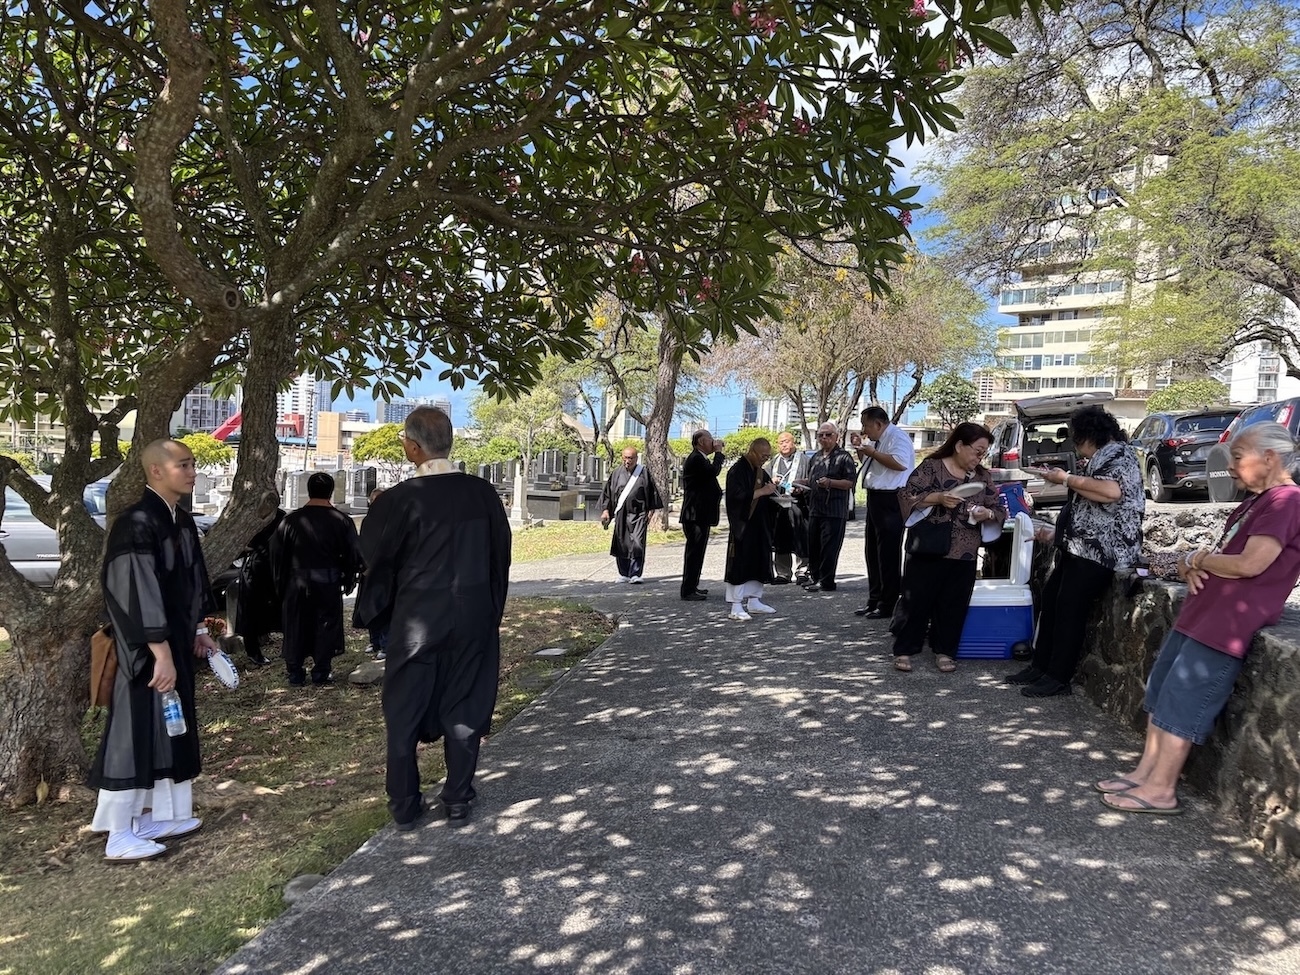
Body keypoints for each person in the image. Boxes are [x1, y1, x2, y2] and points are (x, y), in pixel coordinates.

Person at [1095, 422, 1300, 815]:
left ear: (1269, 458)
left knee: (1182, 702)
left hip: (1227, 624)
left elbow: (1251, 563)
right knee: (1161, 693)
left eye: (1239, 457)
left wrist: (1198, 559)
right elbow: (1229, 554)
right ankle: (1146, 772)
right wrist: (1191, 562)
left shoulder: (1286, 502)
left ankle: (1161, 789)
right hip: (1204, 613)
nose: (1231, 467)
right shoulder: (1258, 500)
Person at [357, 406, 511, 830]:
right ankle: (458, 797)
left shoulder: (398, 500)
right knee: (465, 703)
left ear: (412, 447)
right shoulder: (483, 494)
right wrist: (490, 611)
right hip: (474, 616)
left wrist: (382, 617)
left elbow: (375, 561)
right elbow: (501, 558)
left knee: (404, 711)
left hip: (417, 620)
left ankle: (405, 804)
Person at [88, 439, 219, 862]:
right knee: (136, 727)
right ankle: (119, 831)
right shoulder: (136, 523)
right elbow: (134, 591)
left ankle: (163, 815)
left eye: (192, 464)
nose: (192, 471)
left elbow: (192, 581)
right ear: (157, 470)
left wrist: (200, 628)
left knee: (172, 725)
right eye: (184, 465)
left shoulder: (179, 520)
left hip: (177, 641)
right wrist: (159, 651)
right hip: (144, 650)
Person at [1006, 405, 1145, 697]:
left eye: (1075, 438)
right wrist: (1058, 533)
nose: (1075, 445)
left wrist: (1065, 479)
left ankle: (1058, 677)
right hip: (1082, 547)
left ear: (1088, 435)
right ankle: (1040, 666)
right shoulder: (1103, 457)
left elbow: (1110, 493)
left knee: (1069, 609)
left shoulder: (1119, 455)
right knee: (1052, 600)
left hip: (1104, 552)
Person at [891, 423, 1007, 674]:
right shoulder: (932, 467)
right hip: (928, 545)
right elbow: (906, 495)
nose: (980, 457)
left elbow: (998, 509)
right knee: (916, 599)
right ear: (959, 446)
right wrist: (939, 498)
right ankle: (905, 649)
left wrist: (986, 512)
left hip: (964, 549)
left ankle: (945, 650)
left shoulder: (982, 477)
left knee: (954, 602)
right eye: (977, 451)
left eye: (984, 453)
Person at [271, 472, 361, 687]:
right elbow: (352, 554)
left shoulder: (290, 521)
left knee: (296, 624)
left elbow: (277, 554)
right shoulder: (342, 521)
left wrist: (280, 583)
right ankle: (321, 671)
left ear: (309, 490)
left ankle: (295, 672)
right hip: (327, 582)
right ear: (330, 491)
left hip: (296, 582)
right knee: (325, 625)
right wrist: (348, 578)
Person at [851, 405, 916, 620]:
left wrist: (873, 452)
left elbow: (900, 464)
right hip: (875, 496)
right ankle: (874, 598)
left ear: (878, 424)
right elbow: (873, 466)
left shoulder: (898, 437)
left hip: (891, 498)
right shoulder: (876, 440)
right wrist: (864, 451)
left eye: (866, 425)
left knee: (887, 552)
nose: (864, 430)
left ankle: (888, 603)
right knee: (873, 551)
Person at [724, 438, 781, 620]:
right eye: (763, 455)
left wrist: (775, 494)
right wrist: (763, 492)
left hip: (759, 525)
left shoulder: (760, 471)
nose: (765, 459)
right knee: (740, 563)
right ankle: (736, 605)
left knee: (759, 561)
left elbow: (766, 493)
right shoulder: (737, 470)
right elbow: (736, 497)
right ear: (753, 451)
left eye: (767, 456)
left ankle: (755, 600)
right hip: (743, 525)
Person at [796, 422, 857, 592]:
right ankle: (815, 577)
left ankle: (827, 581)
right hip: (815, 509)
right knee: (814, 546)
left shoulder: (844, 457)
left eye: (828, 434)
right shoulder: (815, 457)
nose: (824, 438)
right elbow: (812, 480)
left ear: (836, 436)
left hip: (834, 510)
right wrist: (802, 483)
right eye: (820, 435)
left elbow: (850, 482)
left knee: (829, 548)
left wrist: (830, 482)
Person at [231, 497, 285, 667]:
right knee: (252, 612)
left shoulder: (281, 517)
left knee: (282, 609)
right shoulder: (252, 518)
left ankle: (287, 648)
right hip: (256, 568)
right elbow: (242, 544)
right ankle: (254, 652)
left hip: (276, 567)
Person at [598, 446, 663, 584]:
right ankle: (623, 573)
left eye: (631, 458)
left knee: (638, 542)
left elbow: (652, 493)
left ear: (636, 458)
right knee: (622, 543)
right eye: (625, 458)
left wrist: (650, 511)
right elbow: (608, 494)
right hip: (621, 514)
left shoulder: (644, 473)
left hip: (638, 513)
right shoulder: (616, 473)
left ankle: (635, 573)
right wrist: (605, 511)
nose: (628, 461)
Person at [678, 430, 725, 601]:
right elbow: (713, 471)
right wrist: (719, 453)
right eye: (710, 440)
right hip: (695, 515)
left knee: (698, 552)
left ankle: (693, 585)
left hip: (701, 514)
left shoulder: (701, 458)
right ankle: (688, 589)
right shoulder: (696, 458)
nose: (713, 442)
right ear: (700, 442)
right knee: (694, 553)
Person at [766, 431, 810, 584]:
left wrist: (801, 487)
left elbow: (810, 481)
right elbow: (764, 481)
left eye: (786, 441)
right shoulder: (773, 462)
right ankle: (783, 573)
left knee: (801, 537)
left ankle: (802, 571)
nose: (783, 444)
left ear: (793, 442)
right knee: (780, 539)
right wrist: (771, 481)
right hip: (779, 507)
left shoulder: (804, 460)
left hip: (798, 505)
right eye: (780, 442)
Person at [353, 487, 390, 662]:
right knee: (369, 608)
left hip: (386, 573)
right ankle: (374, 641)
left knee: (384, 609)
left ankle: (385, 644)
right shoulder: (368, 521)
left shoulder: (393, 520)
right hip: (369, 572)